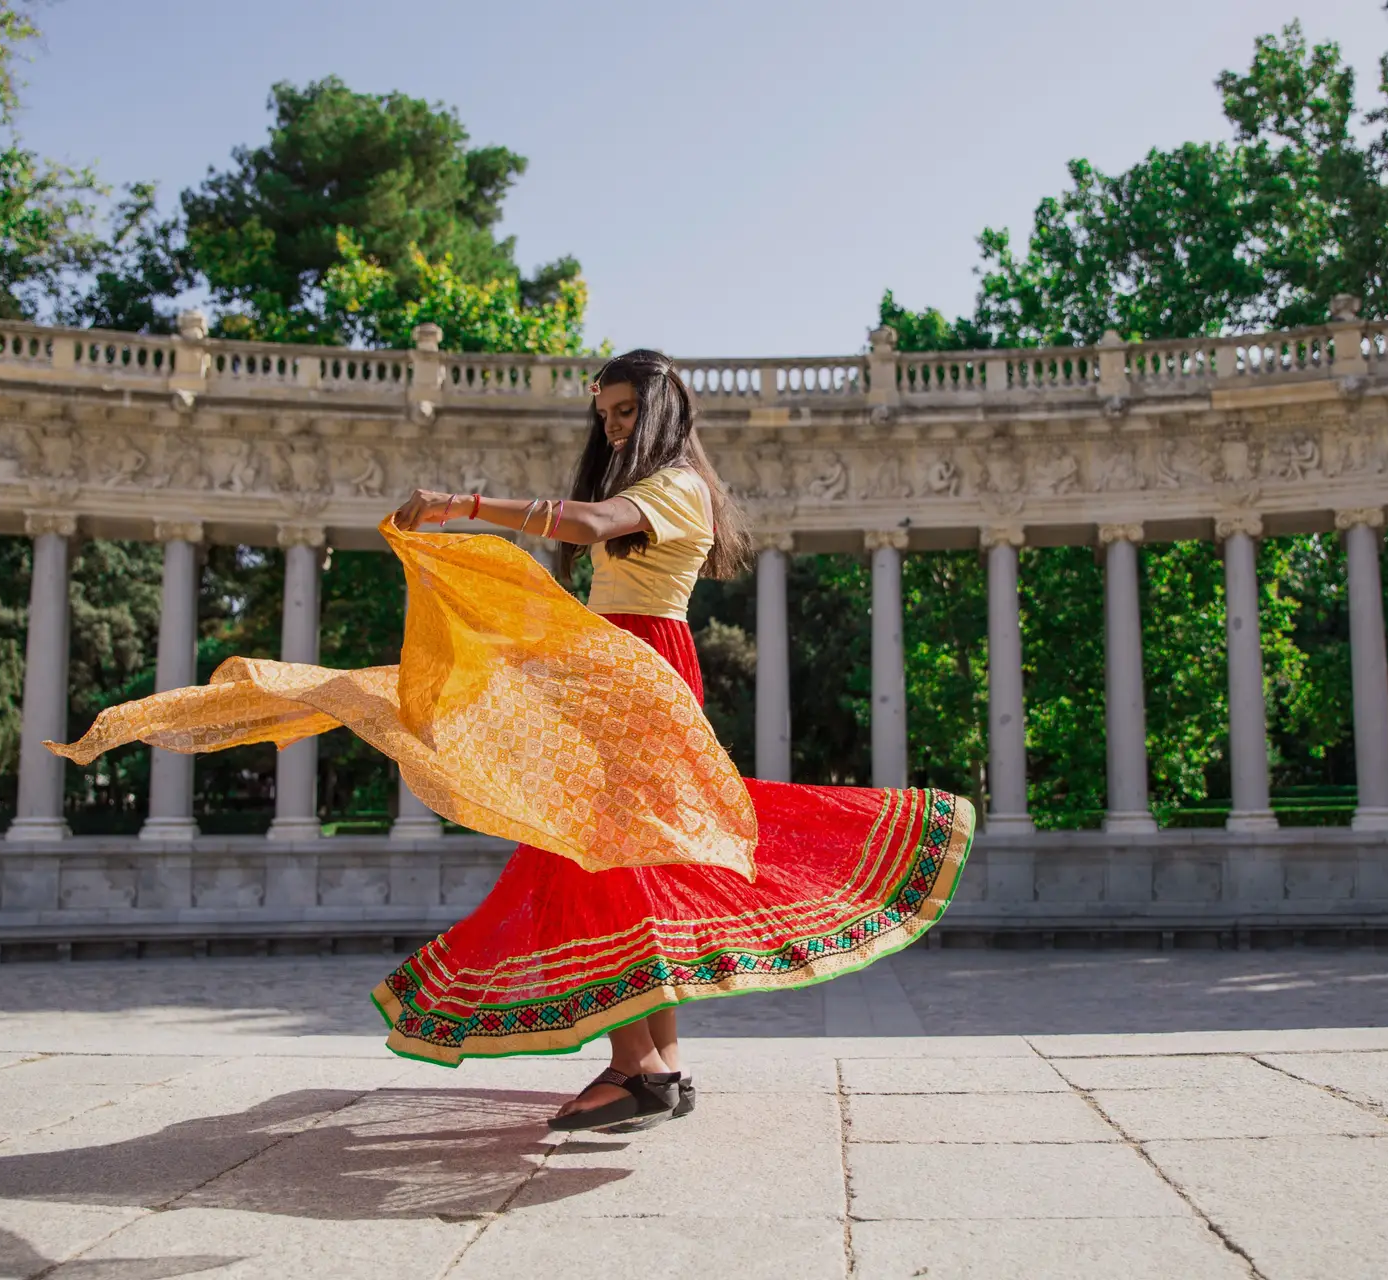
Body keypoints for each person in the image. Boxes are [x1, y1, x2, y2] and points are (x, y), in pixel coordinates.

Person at [50, 348, 974, 1134]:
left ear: (662, 416)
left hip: (638, 673)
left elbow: (588, 525)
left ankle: (639, 1071)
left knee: (592, 857)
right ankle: (660, 1065)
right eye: (606, 415)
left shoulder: (679, 486)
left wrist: (463, 503)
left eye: (626, 413)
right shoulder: (653, 483)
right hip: (607, 668)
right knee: (627, 860)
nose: (613, 429)